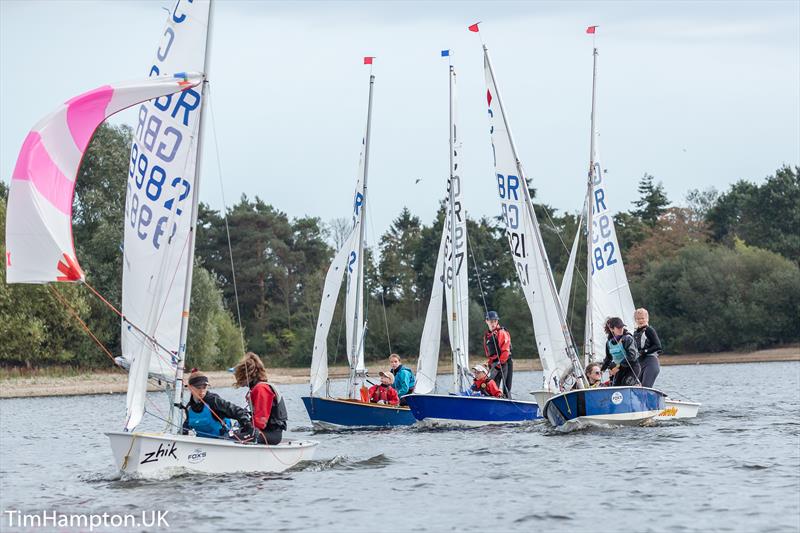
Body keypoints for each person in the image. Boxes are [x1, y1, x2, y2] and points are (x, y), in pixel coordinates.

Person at [233, 352, 288, 445]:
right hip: (266, 432)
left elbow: (260, 422)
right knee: (233, 432)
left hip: (271, 434)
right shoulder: (259, 387)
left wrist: (244, 427)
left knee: (234, 436)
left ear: (246, 374)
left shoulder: (261, 389)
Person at [182, 369, 252, 439]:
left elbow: (238, 411)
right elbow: (187, 425)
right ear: (190, 387)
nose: (202, 391)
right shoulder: (189, 408)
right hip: (202, 443)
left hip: (221, 441)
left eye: (204, 387)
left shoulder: (213, 401)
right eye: (198, 387)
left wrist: (248, 426)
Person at [600, 317, 641, 386]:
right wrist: (602, 370)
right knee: (615, 386)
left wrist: (618, 366)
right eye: (618, 328)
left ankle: (636, 384)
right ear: (612, 329)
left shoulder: (627, 339)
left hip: (632, 368)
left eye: (622, 327)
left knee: (626, 383)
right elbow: (608, 358)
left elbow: (632, 356)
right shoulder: (609, 343)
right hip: (620, 369)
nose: (621, 329)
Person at [483, 310, 513, 398]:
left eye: (495, 321)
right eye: (491, 321)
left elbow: (505, 351)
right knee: (492, 388)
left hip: (505, 363)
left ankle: (508, 403)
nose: (493, 323)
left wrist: (499, 364)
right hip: (495, 364)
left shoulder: (501, 333)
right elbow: (489, 354)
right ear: (486, 321)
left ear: (497, 321)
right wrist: (490, 363)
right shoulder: (486, 336)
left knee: (506, 389)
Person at [633, 308, 662, 388]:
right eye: (638, 319)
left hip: (650, 362)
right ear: (635, 320)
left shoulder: (649, 330)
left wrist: (644, 351)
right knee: (637, 387)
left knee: (645, 387)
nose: (640, 320)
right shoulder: (635, 333)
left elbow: (658, 346)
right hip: (640, 363)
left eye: (642, 318)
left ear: (647, 319)